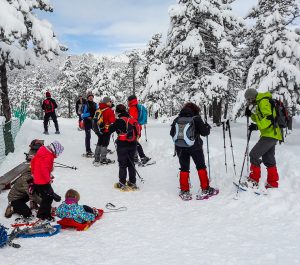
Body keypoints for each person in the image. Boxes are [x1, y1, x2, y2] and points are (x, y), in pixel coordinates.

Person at [170, 102, 218, 200]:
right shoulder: (196, 118)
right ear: (195, 109)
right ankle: (205, 189)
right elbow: (204, 133)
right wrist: (207, 127)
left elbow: (171, 133)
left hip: (180, 147)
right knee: (200, 166)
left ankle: (184, 191)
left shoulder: (177, 119)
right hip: (195, 147)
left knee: (184, 168)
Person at [241, 89, 282, 189]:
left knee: (254, 154)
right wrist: (251, 114)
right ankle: (272, 183)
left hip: (270, 134)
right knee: (268, 159)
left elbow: (269, 119)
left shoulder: (263, 101)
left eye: (248, 99)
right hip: (271, 134)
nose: (248, 101)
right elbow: (260, 118)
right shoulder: (259, 103)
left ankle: (253, 181)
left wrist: (257, 126)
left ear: (252, 97)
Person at [31, 140, 64, 221]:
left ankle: (42, 214)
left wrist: (33, 173)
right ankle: (44, 215)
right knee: (48, 198)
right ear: (54, 150)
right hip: (42, 181)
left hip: (37, 179)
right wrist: (48, 179)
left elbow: (33, 161)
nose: (58, 155)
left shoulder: (42, 151)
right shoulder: (48, 156)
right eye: (58, 153)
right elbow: (44, 169)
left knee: (47, 196)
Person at [109, 104, 139, 190]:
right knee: (131, 163)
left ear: (117, 112)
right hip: (133, 144)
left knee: (122, 164)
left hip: (122, 144)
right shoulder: (131, 118)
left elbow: (111, 129)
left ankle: (122, 182)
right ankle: (132, 182)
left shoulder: (119, 120)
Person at [127, 95, 150, 165]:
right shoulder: (136, 106)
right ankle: (137, 157)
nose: (127, 102)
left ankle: (140, 157)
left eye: (128, 100)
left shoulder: (133, 108)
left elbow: (133, 119)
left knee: (135, 143)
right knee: (135, 142)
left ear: (130, 100)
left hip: (134, 128)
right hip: (137, 127)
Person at [92, 96, 116, 166]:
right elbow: (113, 121)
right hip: (106, 130)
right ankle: (103, 159)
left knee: (99, 142)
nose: (111, 102)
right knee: (105, 144)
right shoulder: (109, 110)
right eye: (110, 101)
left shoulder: (99, 109)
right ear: (107, 102)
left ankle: (96, 158)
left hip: (99, 130)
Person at [81, 92, 98, 156]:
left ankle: (102, 146)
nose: (91, 97)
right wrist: (89, 115)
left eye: (92, 96)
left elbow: (98, 112)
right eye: (89, 96)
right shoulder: (85, 104)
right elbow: (82, 115)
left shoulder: (95, 104)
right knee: (88, 136)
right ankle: (88, 150)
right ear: (87, 97)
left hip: (94, 121)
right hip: (87, 121)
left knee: (99, 134)